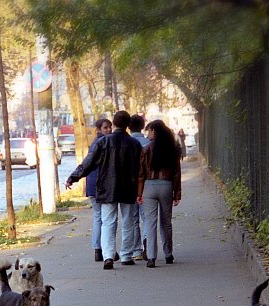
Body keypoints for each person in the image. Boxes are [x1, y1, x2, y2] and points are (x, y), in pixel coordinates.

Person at [66, 110, 143, 270]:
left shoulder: (103, 143)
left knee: (108, 221)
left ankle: (108, 256)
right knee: (128, 221)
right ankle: (126, 255)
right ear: (128, 125)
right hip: (129, 187)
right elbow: (141, 169)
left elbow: (89, 163)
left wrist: (74, 177)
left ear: (114, 124)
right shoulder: (135, 144)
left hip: (107, 187)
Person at [138, 120, 182, 268]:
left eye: (149, 131)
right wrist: (177, 194)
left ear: (154, 132)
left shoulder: (146, 150)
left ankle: (151, 257)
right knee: (166, 222)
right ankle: (168, 254)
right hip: (166, 186)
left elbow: (141, 174)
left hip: (149, 187)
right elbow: (176, 174)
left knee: (150, 223)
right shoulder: (172, 149)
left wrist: (139, 193)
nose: (148, 133)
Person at [86, 118, 112, 262]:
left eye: (110, 127)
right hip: (101, 185)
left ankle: (98, 250)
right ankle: (105, 249)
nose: (108, 130)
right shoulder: (105, 143)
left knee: (98, 218)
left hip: (92, 184)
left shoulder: (94, 143)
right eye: (105, 128)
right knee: (106, 219)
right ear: (99, 130)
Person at [128, 114, 150, 261]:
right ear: (143, 126)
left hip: (129, 185)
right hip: (147, 185)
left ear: (129, 127)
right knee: (147, 217)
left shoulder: (127, 143)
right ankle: (148, 244)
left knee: (133, 219)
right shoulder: (149, 143)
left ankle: (136, 251)